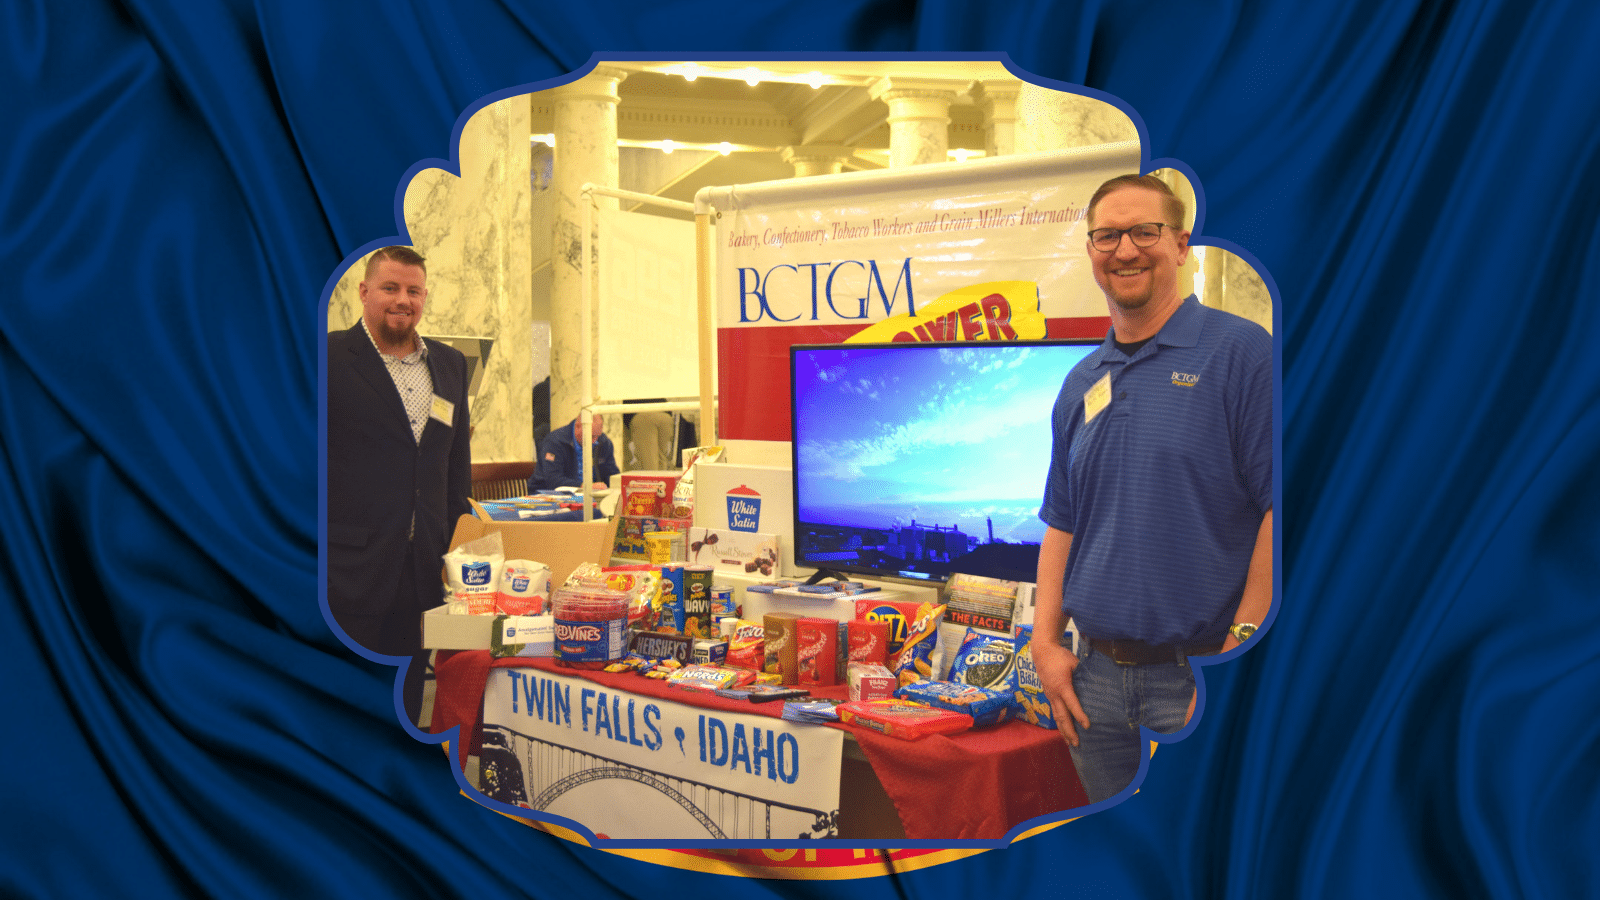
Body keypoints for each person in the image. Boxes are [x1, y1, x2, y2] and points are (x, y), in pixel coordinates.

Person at [1032, 174, 1273, 804]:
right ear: (1091, 249)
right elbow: (1063, 521)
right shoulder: (1082, 381)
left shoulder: (1242, 354)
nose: (1125, 250)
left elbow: (1286, 513)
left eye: (1145, 232)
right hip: (1094, 685)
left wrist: (1240, 656)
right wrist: (1044, 643)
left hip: (1199, 675)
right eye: (1107, 236)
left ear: (1181, 244)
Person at [326, 246, 471, 725]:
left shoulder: (450, 364)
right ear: (364, 291)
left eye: (413, 290)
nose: (402, 300)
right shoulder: (327, 357)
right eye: (390, 288)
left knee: (406, 700)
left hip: (423, 568)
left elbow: (454, 466)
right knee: (344, 705)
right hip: (346, 570)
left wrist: (457, 552)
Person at [527, 412, 619, 492]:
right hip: (547, 494)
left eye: (598, 436)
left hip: (589, 495)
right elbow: (553, 480)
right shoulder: (555, 442)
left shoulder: (603, 442)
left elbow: (611, 473)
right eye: (591, 436)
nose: (594, 441)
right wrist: (584, 486)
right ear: (578, 426)